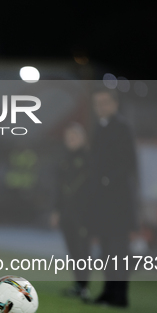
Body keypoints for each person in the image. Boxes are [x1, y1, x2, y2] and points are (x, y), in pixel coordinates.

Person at [87, 89, 139, 308]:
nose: (101, 107)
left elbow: (128, 163)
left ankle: (120, 295)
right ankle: (108, 291)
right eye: (97, 103)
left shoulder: (122, 127)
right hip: (103, 201)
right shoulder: (100, 127)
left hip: (117, 201)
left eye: (105, 102)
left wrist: (107, 180)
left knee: (118, 248)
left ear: (115, 104)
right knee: (107, 248)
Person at [50, 123, 91, 301]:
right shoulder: (64, 159)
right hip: (66, 212)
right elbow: (59, 189)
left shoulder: (89, 159)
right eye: (68, 137)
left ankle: (84, 286)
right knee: (72, 250)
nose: (70, 141)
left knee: (83, 250)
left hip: (83, 213)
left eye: (74, 137)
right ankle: (78, 284)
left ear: (82, 138)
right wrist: (56, 210)